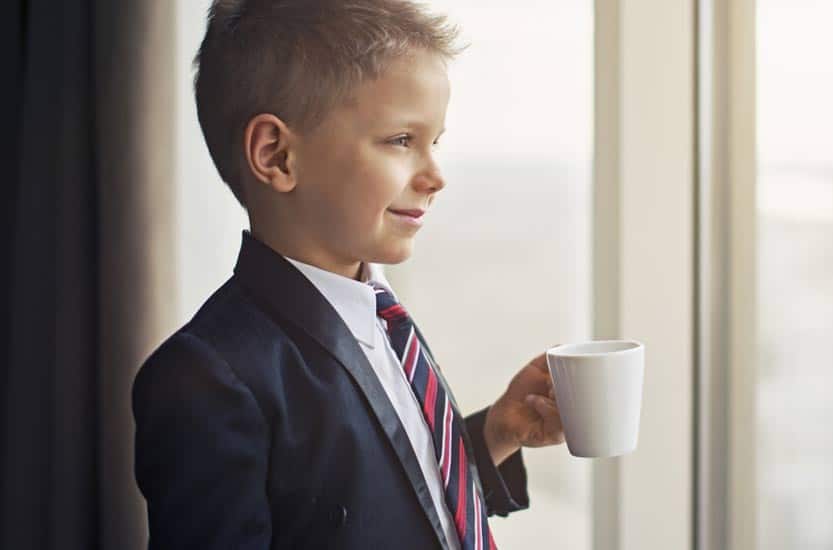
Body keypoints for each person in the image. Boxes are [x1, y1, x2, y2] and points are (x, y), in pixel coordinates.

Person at [131, 2, 565, 548]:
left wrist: (495, 435)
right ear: (278, 156)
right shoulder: (209, 380)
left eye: (436, 142)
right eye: (402, 141)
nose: (436, 175)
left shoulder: (383, 319)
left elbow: (388, 496)